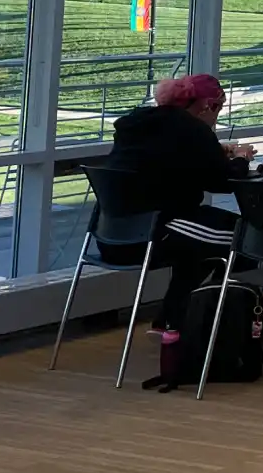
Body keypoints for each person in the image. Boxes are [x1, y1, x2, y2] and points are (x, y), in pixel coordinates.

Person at [104, 74, 254, 337]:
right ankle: (227, 329)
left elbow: (167, 159)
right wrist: (241, 159)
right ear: (206, 106)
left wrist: (213, 150)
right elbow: (221, 181)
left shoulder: (137, 126)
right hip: (158, 232)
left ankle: (172, 322)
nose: (216, 118)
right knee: (246, 239)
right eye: (217, 109)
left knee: (202, 245)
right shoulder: (193, 130)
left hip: (113, 236)